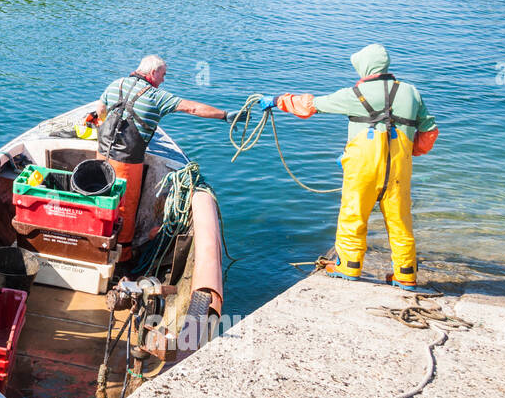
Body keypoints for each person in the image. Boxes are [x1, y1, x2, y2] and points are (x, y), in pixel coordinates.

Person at [266, 43, 438, 289]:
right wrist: (410, 151)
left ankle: (349, 266)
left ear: (364, 67)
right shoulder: (410, 92)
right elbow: (430, 132)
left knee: (353, 214)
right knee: (400, 220)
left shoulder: (354, 95)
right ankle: (406, 274)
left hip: (363, 169)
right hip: (399, 169)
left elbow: (309, 105)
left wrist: (277, 100)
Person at [90, 55, 246, 253]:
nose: (164, 79)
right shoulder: (156, 97)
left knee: (103, 199)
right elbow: (192, 107)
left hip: (101, 154)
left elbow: (101, 109)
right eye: (163, 75)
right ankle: (122, 254)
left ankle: (95, 240)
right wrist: (225, 115)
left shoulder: (116, 84)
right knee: (124, 208)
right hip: (127, 163)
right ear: (153, 72)